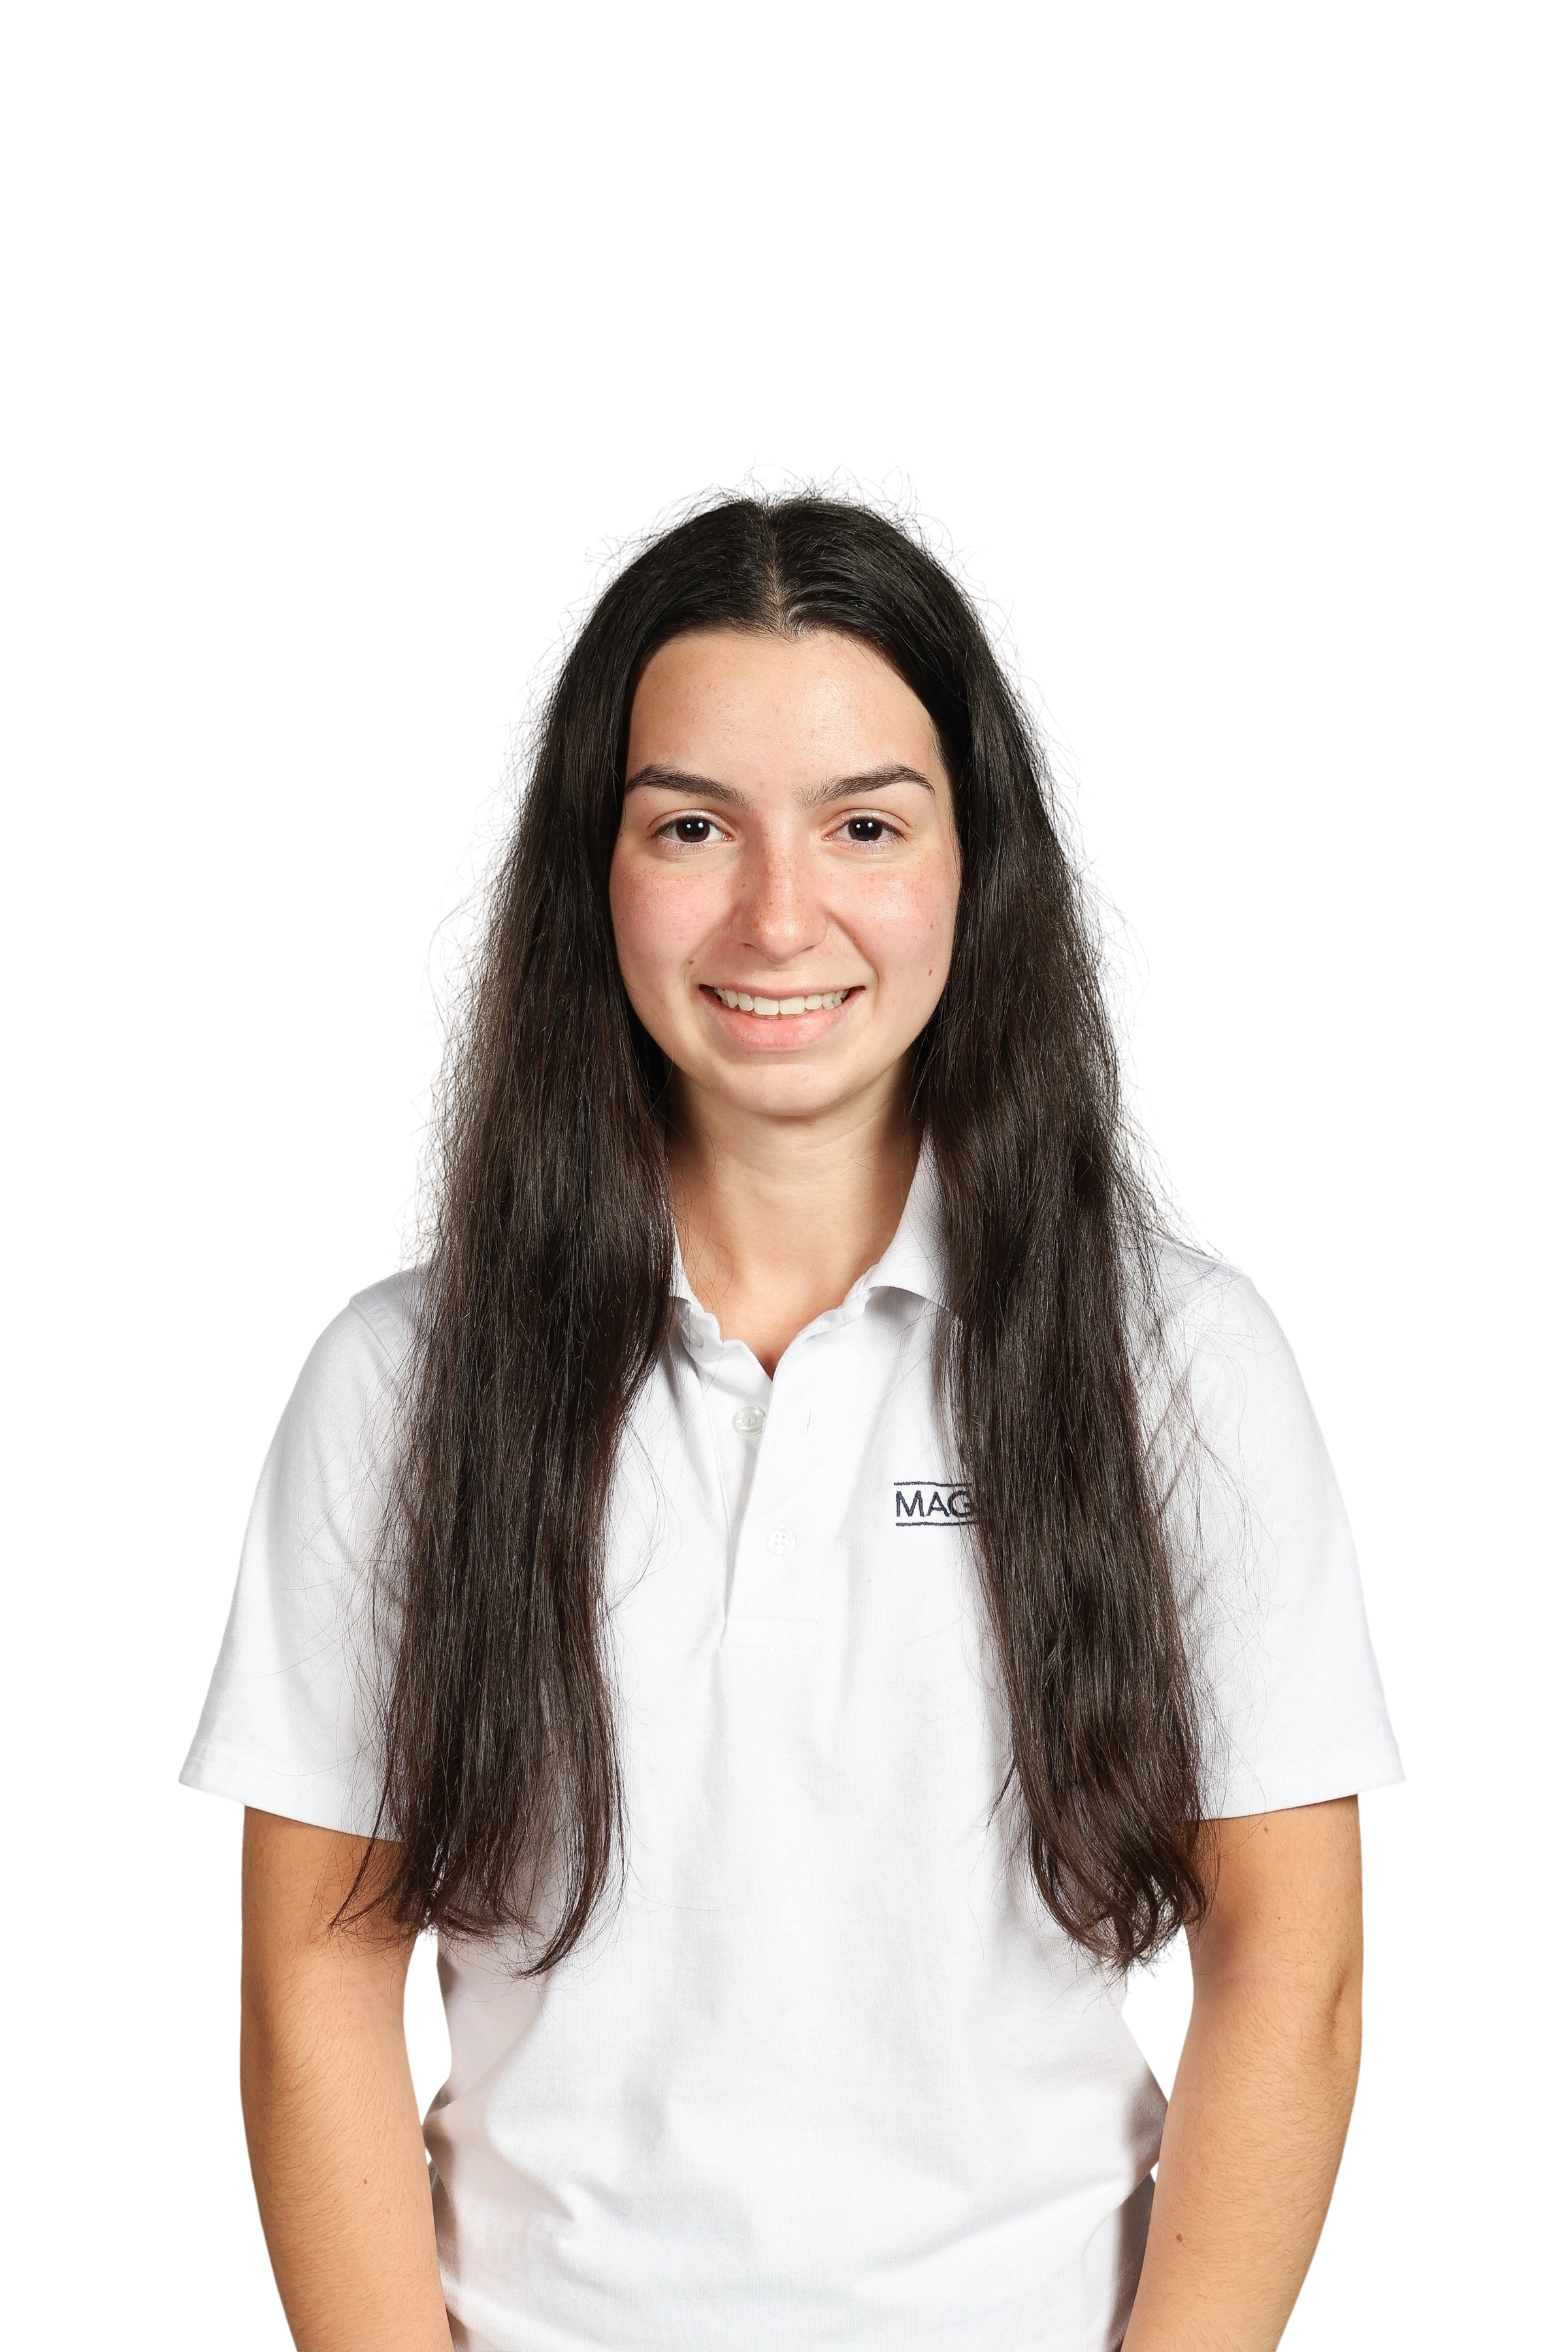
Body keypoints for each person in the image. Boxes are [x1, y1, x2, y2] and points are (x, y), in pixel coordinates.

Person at [176, 458, 1407, 2352]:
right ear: (592, 870)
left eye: (864, 825)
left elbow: (1292, 1969)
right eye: (692, 826)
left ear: (977, 865)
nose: (778, 916)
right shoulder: (398, 1383)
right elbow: (311, 1983)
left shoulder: (1181, 1360)